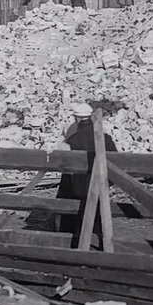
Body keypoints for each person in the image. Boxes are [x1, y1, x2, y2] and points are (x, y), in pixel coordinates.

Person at [56, 104, 118, 244]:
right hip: (100, 182)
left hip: (78, 186)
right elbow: (115, 159)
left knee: (78, 214)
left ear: (77, 119)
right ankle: (101, 241)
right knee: (99, 214)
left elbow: (64, 164)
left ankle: (77, 241)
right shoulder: (105, 137)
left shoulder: (72, 139)